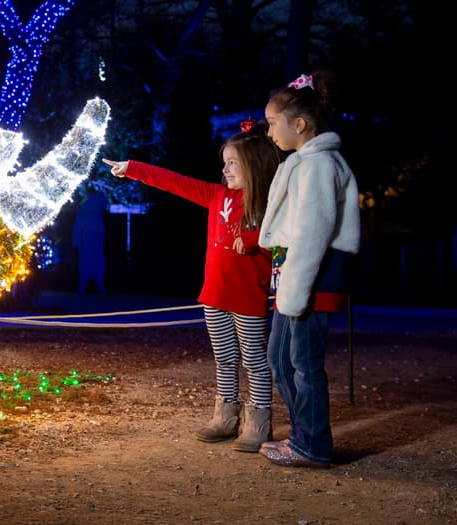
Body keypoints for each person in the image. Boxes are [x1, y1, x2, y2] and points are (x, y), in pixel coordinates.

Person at [104, 120, 282, 451]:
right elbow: (175, 182)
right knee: (225, 357)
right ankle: (226, 415)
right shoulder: (216, 196)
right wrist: (132, 169)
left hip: (248, 297)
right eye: (225, 163)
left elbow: (283, 232)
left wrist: (254, 238)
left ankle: (259, 420)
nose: (226, 170)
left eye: (233, 163)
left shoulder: (268, 202)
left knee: (254, 359)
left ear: (253, 165)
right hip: (214, 295)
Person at [257, 72, 360, 470]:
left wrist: (294, 292)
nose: (269, 133)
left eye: (272, 124)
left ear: (299, 125)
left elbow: (313, 231)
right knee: (280, 358)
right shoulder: (303, 163)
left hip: (310, 280)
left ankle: (312, 444)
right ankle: (302, 435)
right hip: (294, 280)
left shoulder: (318, 166)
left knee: (302, 361)